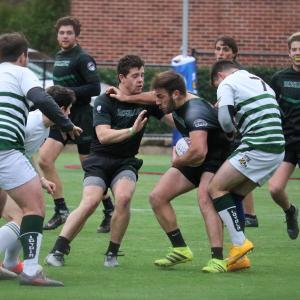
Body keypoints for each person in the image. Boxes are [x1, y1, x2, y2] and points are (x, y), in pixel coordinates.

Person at [45, 55, 172, 268]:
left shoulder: (147, 103)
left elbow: (174, 119)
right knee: (91, 201)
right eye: (135, 76)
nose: (140, 79)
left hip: (126, 162)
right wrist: (132, 130)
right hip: (99, 160)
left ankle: (112, 253)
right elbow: (103, 136)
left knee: (123, 198)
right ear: (122, 78)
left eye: (142, 75)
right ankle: (58, 249)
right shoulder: (105, 100)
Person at [0, 32, 82, 286]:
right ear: (23, 56)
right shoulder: (21, 72)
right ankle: (32, 271)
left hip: (8, 154)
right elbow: (41, 98)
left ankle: (11, 264)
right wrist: (67, 123)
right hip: (5, 148)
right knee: (33, 209)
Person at [149, 70, 232, 272]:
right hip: (196, 157)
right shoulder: (176, 101)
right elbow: (196, 152)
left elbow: (199, 151)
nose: (156, 102)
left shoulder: (195, 112)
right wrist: (125, 97)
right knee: (157, 197)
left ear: (175, 93)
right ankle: (180, 249)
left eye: (160, 97)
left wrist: (177, 162)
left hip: (215, 158)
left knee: (205, 198)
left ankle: (218, 259)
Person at [38, 16, 114, 232]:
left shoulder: (83, 58)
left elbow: (93, 88)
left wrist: (67, 94)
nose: (65, 36)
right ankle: (61, 209)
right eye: (61, 33)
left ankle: (109, 209)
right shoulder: (59, 56)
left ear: (76, 35)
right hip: (60, 116)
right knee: (44, 160)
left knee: (90, 168)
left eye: (69, 33)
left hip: (81, 117)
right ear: (57, 35)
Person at [208, 60, 285, 269]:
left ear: (219, 76)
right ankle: (240, 258)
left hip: (258, 146)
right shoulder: (259, 81)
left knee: (215, 187)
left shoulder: (227, 83)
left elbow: (224, 120)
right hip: (277, 148)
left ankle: (240, 244)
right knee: (233, 196)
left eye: (215, 86)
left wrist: (230, 133)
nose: (218, 90)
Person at [0, 85, 75, 279]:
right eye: (68, 109)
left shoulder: (43, 126)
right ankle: (12, 263)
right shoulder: (31, 124)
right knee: (23, 217)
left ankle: (10, 262)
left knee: (23, 216)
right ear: (60, 109)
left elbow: (23, 154)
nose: (69, 114)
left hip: (6, 171)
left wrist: (40, 179)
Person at [214, 35, 259, 228]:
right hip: (231, 132)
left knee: (238, 173)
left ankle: (248, 215)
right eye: (218, 49)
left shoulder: (237, 76)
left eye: (225, 49)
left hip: (243, 133)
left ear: (234, 53)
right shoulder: (220, 76)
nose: (221, 53)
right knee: (237, 174)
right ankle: (244, 216)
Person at [268, 32, 300, 240]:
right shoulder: (279, 79)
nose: (299, 53)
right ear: (289, 53)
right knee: (275, 188)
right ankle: (290, 211)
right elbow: (270, 108)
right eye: (295, 49)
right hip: (287, 142)